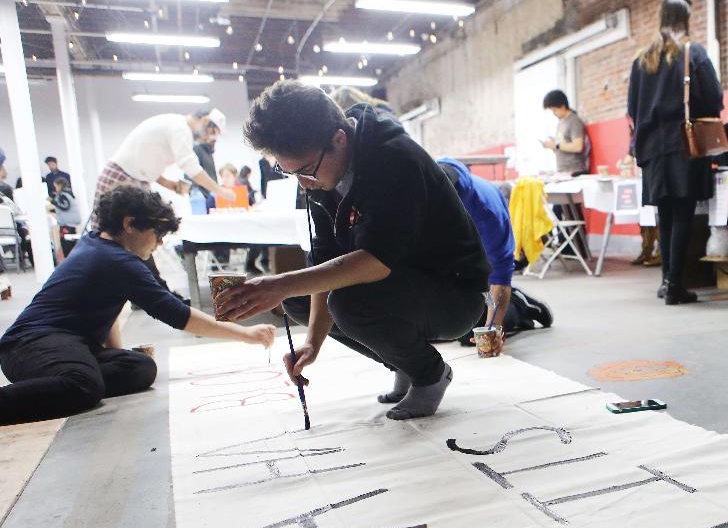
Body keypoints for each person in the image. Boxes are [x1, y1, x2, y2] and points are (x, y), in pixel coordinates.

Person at [218, 81, 491, 421]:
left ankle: (429, 374)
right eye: (289, 173)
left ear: (339, 139)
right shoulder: (322, 176)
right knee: (297, 299)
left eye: (304, 170)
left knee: (347, 303)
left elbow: (377, 261)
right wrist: (312, 343)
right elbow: (325, 260)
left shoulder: (393, 159)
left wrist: (281, 283)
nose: (302, 183)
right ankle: (404, 363)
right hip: (401, 285)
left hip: (455, 295)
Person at [0, 186, 273, 425]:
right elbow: (176, 314)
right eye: (157, 234)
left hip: (64, 344)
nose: (160, 242)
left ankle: (57, 383)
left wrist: (116, 355)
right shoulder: (118, 261)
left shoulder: (99, 246)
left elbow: (110, 307)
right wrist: (246, 334)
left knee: (139, 368)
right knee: (84, 385)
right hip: (30, 345)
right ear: (130, 224)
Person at [627, 0, 723, 305]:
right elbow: (714, 98)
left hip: (651, 147)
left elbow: (632, 108)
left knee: (664, 213)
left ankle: (666, 281)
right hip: (683, 142)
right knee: (683, 212)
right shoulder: (692, 52)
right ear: (685, 20)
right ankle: (675, 285)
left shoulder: (642, 59)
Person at [95, 108, 235, 294]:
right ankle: (144, 290)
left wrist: (171, 185)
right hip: (121, 177)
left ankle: (149, 291)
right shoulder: (181, 128)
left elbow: (148, 166)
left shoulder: (173, 125)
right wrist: (221, 191)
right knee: (110, 238)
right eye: (211, 132)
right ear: (204, 120)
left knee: (139, 238)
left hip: (136, 180)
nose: (209, 138)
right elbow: (192, 168)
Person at [435, 158, 554, 354]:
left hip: (479, 251)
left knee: (472, 332)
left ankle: (519, 304)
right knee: (435, 330)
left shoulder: (487, 213)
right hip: (451, 256)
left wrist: (494, 328)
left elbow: (500, 276)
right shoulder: (421, 186)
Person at [540, 90, 591, 177]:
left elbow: (578, 147)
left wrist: (556, 145)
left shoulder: (574, 121)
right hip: (562, 171)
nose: (553, 113)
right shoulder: (561, 122)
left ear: (562, 106)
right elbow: (562, 145)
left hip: (574, 172)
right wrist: (551, 145)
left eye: (554, 110)